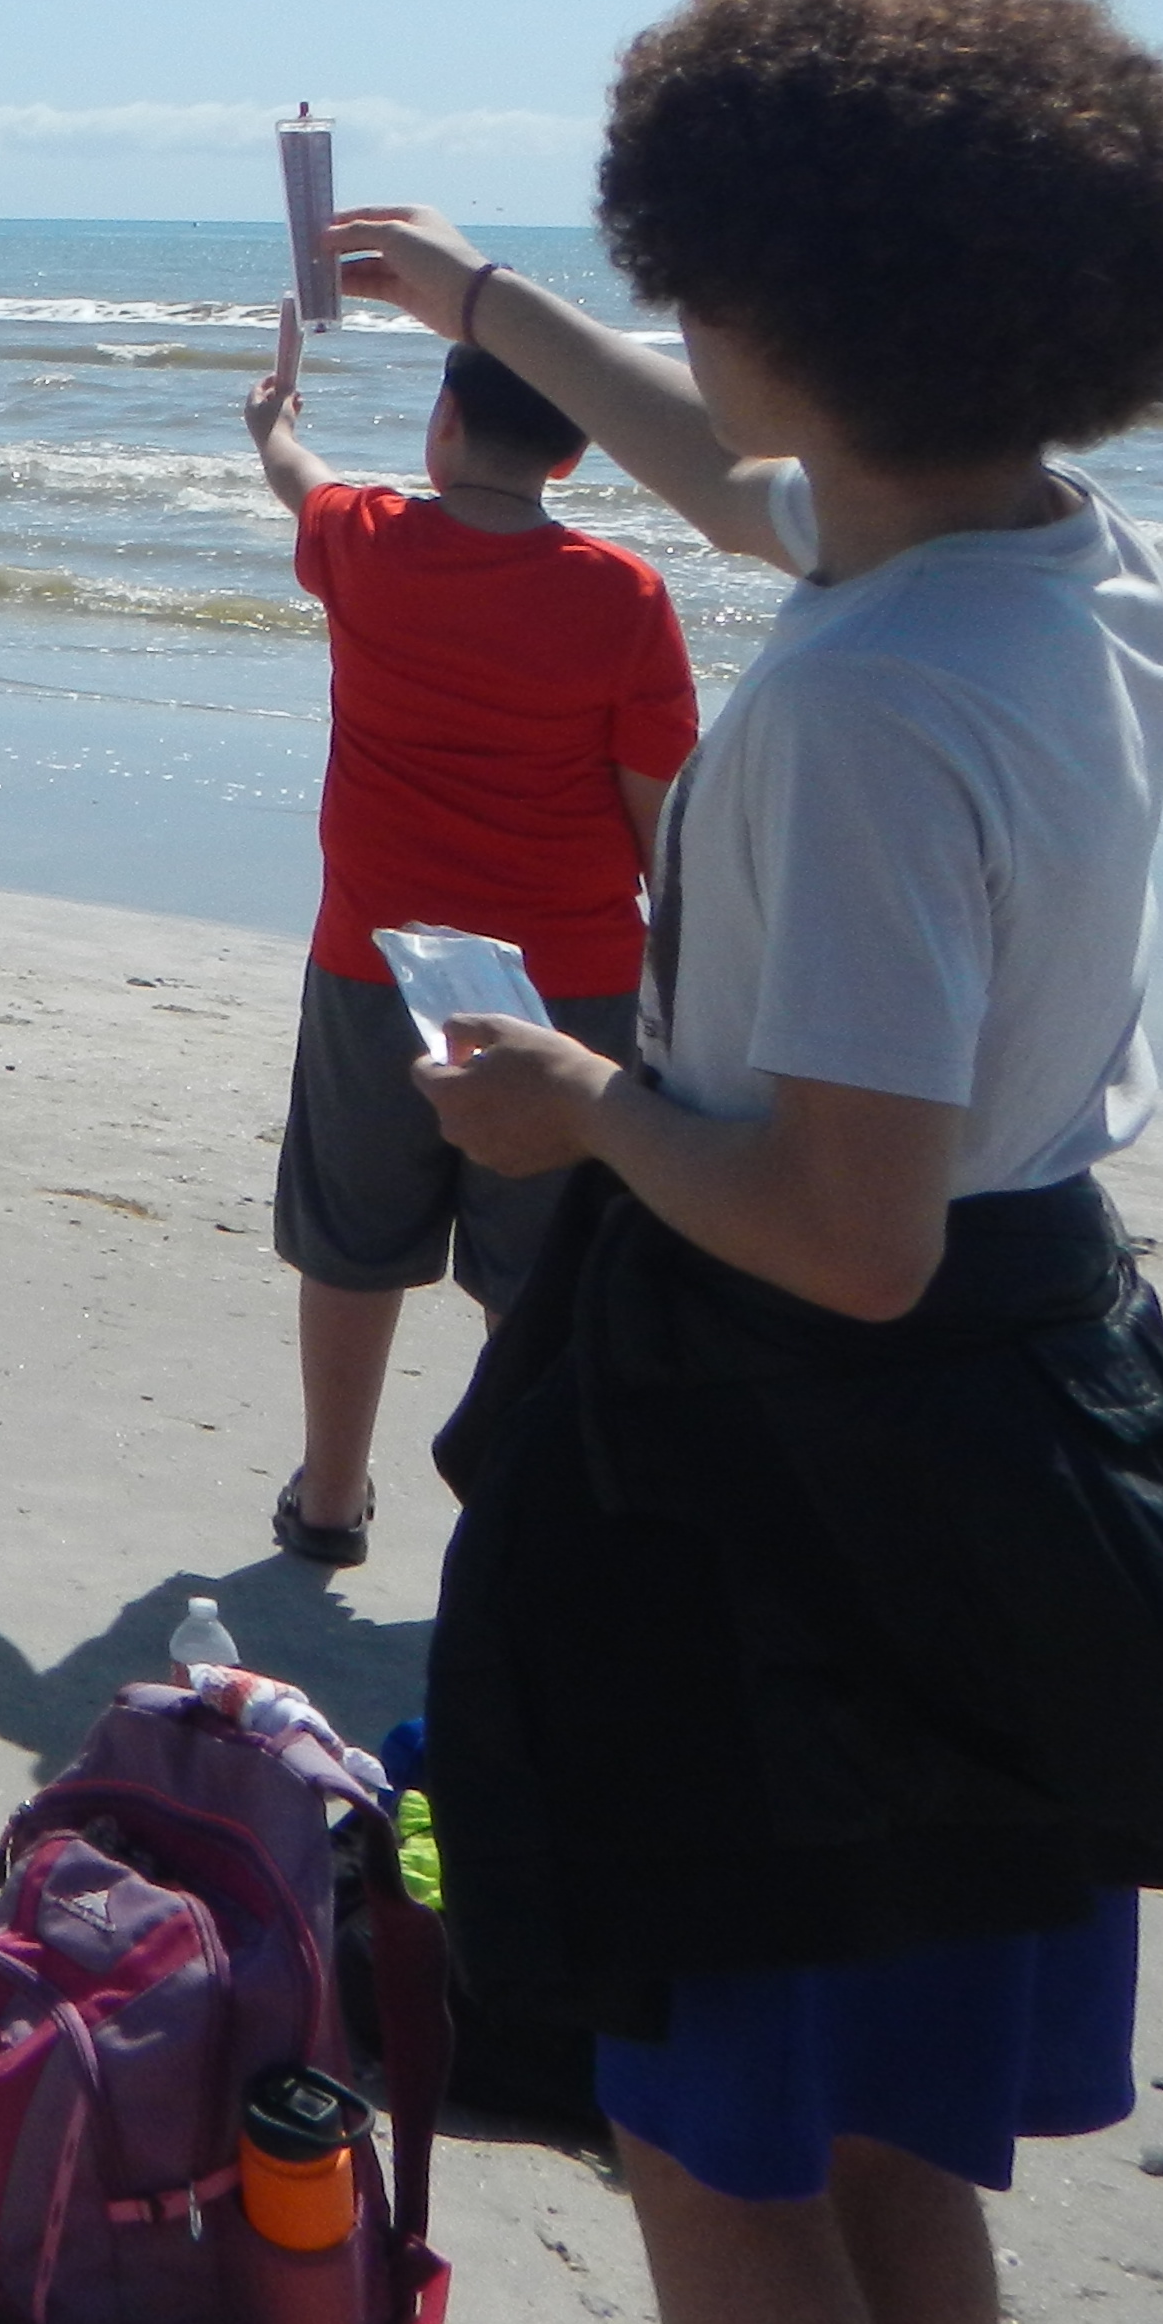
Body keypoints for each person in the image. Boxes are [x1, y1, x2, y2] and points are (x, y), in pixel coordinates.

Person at [358, 0, 1163, 2324]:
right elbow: (753, 486)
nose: (683, 325)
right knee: (888, 2133)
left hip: (813, 1487)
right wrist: (484, 293)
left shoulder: (863, 699)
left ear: (780, 296)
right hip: (1034, 1422)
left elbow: (846, 1232)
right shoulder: (1057, 562)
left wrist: (580, 1102)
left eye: (689, 288)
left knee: (720, 2156)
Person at [239, 336, 698, 1566]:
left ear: (443, 421)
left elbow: (301, 476)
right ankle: (515, 1513)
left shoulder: (368, 540)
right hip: (570, 980)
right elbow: (662, 820)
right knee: (536, 1267)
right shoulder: (623, 594)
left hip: (376, 960)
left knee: (353, 1236)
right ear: (575, 449)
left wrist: (272, 420)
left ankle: (331, 1498)